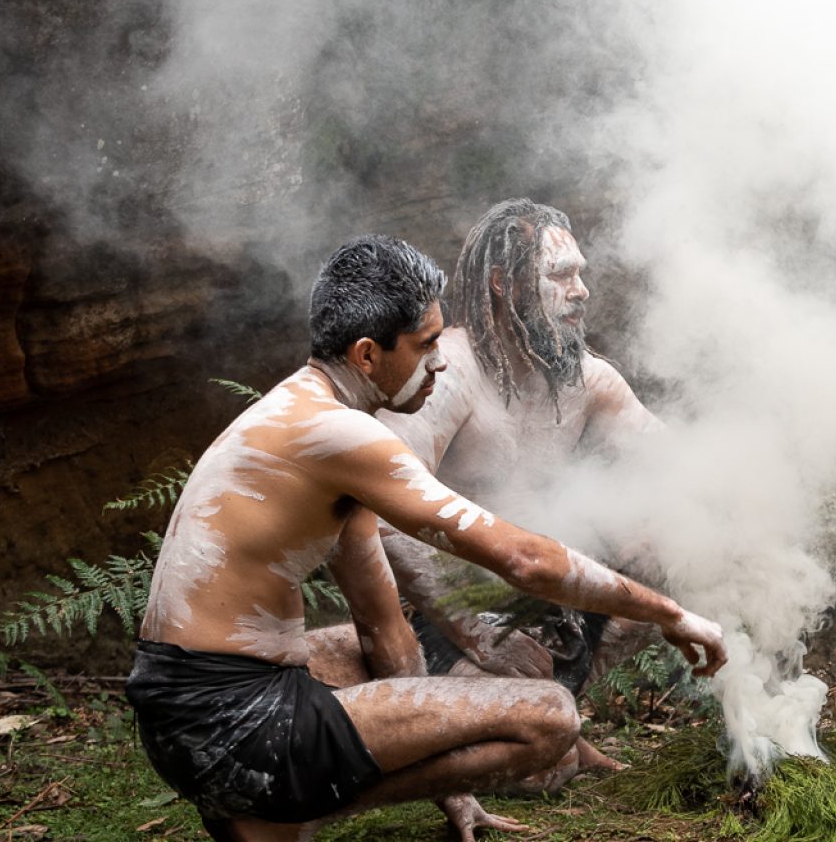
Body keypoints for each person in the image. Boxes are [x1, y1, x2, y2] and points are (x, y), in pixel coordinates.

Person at [124, 235, 725, 842]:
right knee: (550, 718)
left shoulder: (300, 413)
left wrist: (453, 795)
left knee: (358, 643)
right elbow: (524, 559)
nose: (441, 361)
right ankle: (282, 812)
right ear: (366, 355)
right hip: (235, 727)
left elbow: (382, 629)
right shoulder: (340, 436)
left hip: (185, 716)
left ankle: (264, 802)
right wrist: (671, 614)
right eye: (426, 343)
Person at [308, 201, 662, 712]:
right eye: (561, 275)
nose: (580, 290)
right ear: (502, 282)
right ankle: (503, 703)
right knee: (526, 755)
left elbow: (681, 472)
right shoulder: (448, 373)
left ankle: (566, 698)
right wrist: (478, 634)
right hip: (458, 607)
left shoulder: (589, 380)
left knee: (677, 545)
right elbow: (380, 512)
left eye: (580, 274)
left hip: (554, 593)